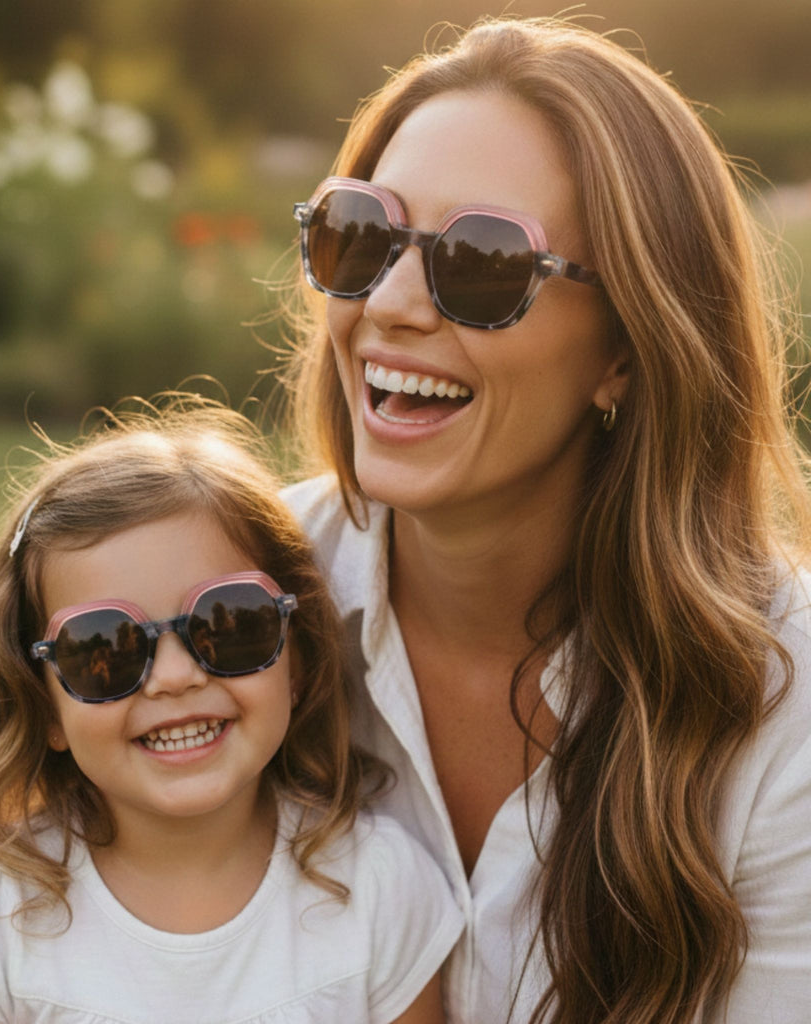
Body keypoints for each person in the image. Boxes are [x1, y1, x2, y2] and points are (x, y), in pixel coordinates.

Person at [281, 14, 811, 1024]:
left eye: (481, 260)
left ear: (626, 350)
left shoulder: (789, 714)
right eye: (361, 234)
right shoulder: (218, 607)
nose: (390, 302)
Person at [0, 405, 463, 1024]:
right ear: (42, 703)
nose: (175, 676)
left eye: (229, 623)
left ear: (297, 657)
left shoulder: (381, 886)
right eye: (104, 648)